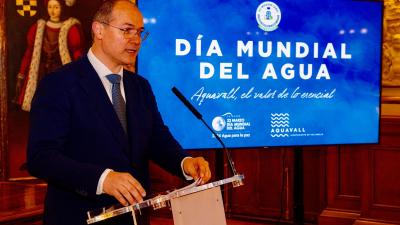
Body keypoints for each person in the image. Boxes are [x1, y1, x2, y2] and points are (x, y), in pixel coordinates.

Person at [26, 1, 211, 225]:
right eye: (126, 30)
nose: (135, 40)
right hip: (79, 217)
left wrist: (185, 162)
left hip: (134, 218)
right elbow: (41, 158)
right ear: (99, 30)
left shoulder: (140, 86)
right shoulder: (59, 84)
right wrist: (103, 179)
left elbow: (156, 139)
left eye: (140, 32)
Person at [14, 0, 84, 111]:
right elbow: (29, 53)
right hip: (40, 73)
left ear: (62, 8)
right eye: (50, 7)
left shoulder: (70, 27)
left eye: (56, 7)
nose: (52, 10)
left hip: (61, 72)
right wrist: (21, 74)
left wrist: (81, 74)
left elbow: (77, 54)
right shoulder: (38, 27)